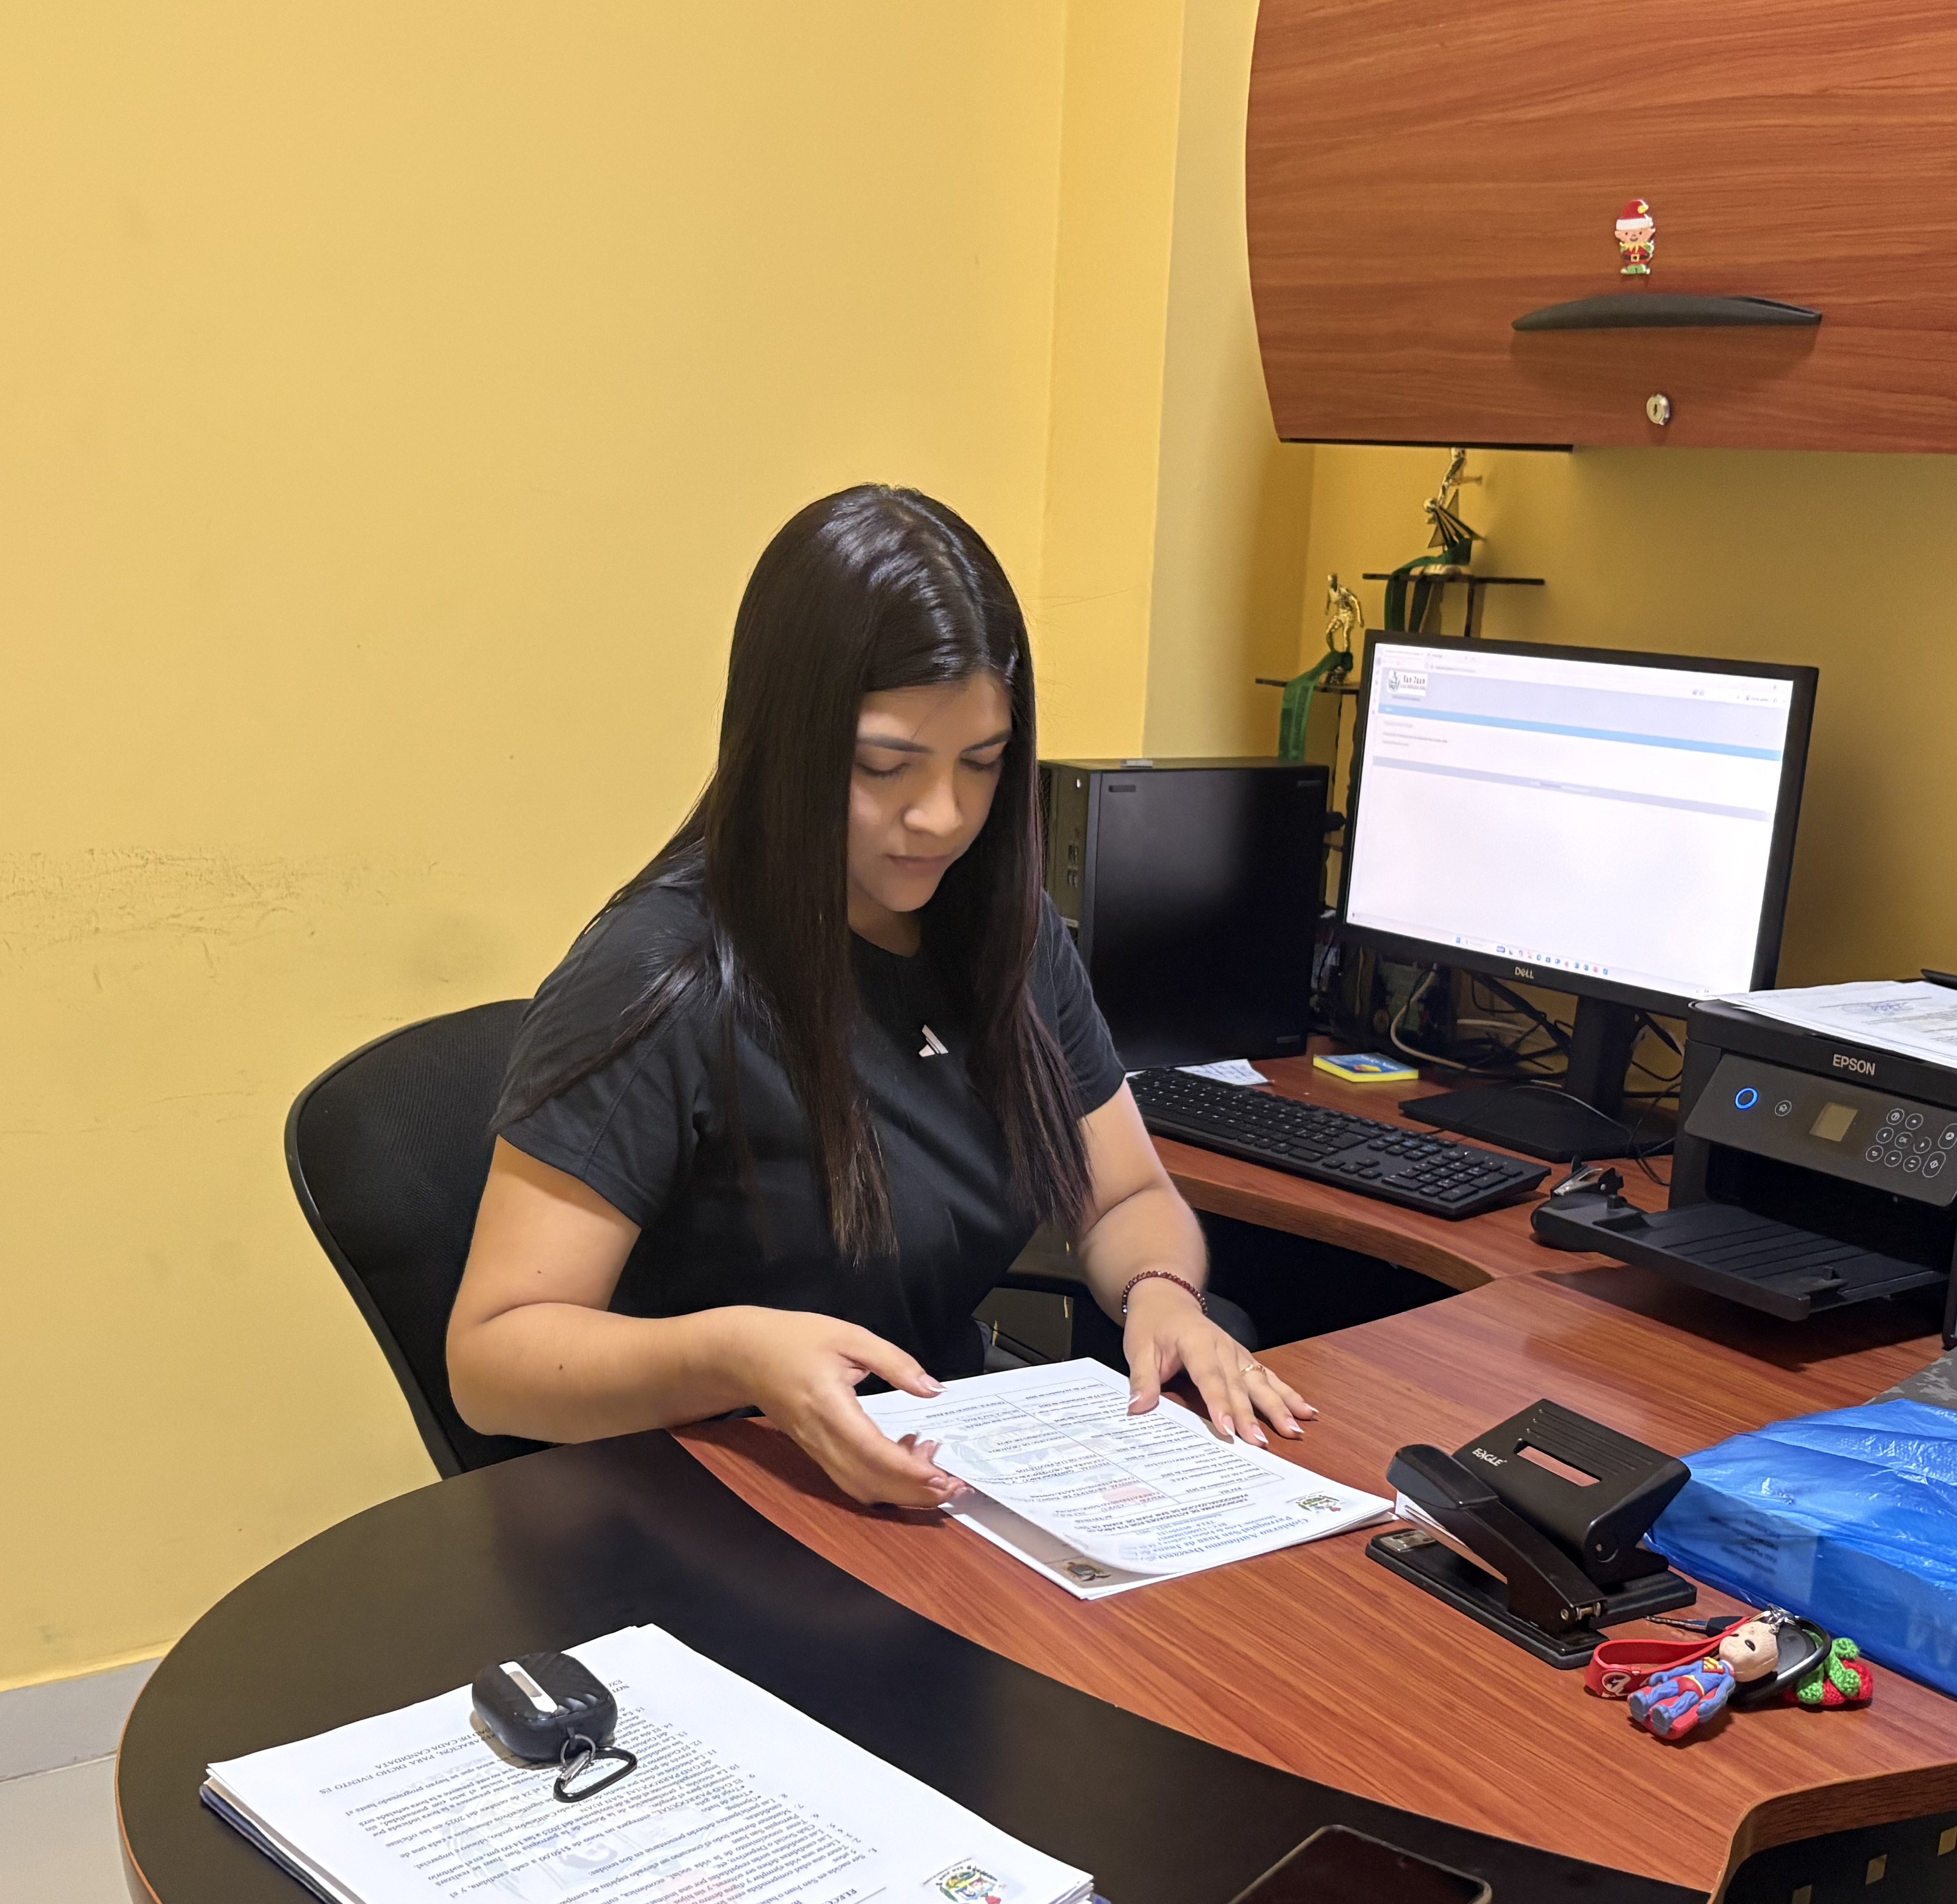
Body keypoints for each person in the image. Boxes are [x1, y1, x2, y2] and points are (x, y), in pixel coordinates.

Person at [446, 484, 1312, 1507]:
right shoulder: (664, 976)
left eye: (982, 764)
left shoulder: (1006, 934)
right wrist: (736, 1355)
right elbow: (492, 1362)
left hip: (939, 1472)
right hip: (712, 1497)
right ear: (788, 743)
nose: (942, 816)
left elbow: (1124, 1196)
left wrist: (1160, 1296)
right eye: (885, 767)